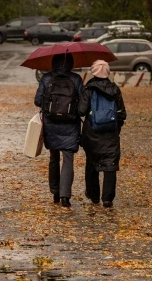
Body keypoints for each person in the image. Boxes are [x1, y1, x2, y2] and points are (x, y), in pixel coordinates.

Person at [34, 53, 84, 207]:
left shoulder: (47, 78)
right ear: (71, 63)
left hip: (51, 123)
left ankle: (55, 192)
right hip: (70, 124)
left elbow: (37, 100)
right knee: (68, 159)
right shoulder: (76, 79)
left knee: (53, 157)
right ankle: (65, 197)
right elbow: (82, 104)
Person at [78, 60, 126, 208]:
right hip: (110, 134)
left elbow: (81, 110)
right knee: (110, 164)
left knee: (92, 162)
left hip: (92, 133)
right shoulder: (115, 89)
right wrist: (116, 128)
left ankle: (93, 195)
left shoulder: (89, 89)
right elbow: (122, 113)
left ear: (94, 72)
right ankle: (107, 198)